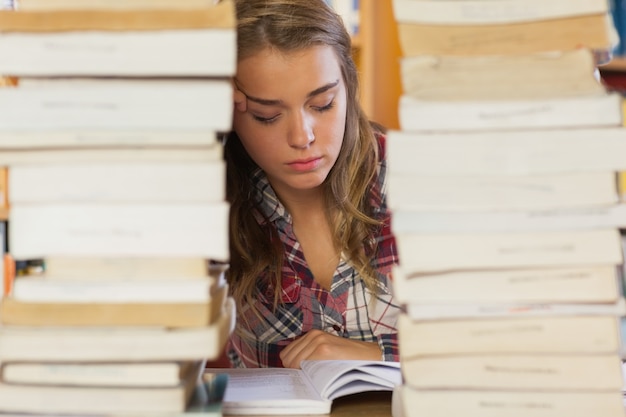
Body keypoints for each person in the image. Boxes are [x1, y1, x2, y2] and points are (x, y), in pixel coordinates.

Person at [222, 0, 400, 368]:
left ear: (348, 88)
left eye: (322, 104)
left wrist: (380, 356)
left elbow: (509, 335)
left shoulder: (421, 178)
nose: (302, 137)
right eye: (266, 116)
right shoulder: (210, 199)